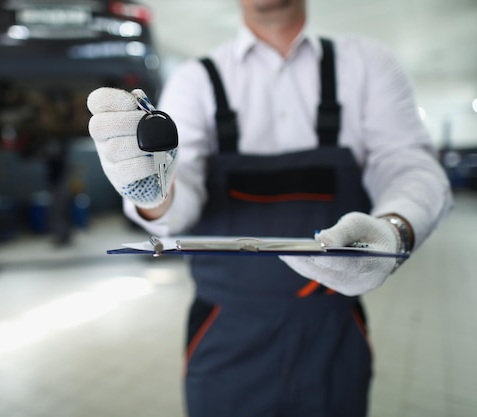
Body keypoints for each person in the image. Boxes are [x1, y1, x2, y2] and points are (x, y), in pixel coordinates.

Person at [87, 0, 453, 415]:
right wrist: (152, 191)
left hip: (333, 335)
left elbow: (410, 164)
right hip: (224, 336)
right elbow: (181, 188)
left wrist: (395, 229)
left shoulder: (369, 65)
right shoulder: (194, 81)